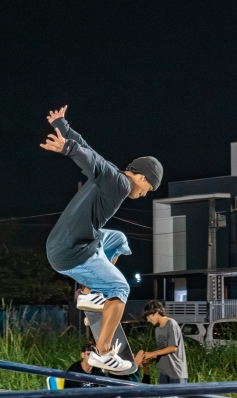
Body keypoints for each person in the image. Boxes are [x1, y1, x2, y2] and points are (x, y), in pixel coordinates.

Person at [41, 105, 162, 374]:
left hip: (68, 243)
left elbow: (89, 150)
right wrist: (68, 150)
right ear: (141, 177)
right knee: (121, 288)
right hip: (71, 252)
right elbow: (90, 159)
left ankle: (87, 293)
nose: (145, 194)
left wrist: (62, 125)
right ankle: (104, 352)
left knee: (117, 239)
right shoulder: (120, 184)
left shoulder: (114, 175)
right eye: (148, 189)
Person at [65, 342, 179, 398]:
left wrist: (145, 370)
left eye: (93, 355)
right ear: (82, 355)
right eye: (89, 354)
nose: (91, 357)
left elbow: (108, 384)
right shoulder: (75, 370)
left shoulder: (97, 369)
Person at [140, 300, 193, 398]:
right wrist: (150, 360)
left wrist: (152, 353)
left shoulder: (171, 324)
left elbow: (172, 348)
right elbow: (162, 350)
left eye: (149, 316)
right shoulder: (157, 329)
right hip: (164, 370)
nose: (148, 320)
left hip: (176, 369)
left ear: (157, 312)